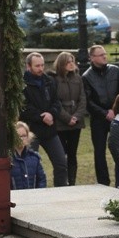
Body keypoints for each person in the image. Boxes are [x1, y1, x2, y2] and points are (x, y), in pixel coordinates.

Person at [20, 52, 68, 187]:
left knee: (61, 163)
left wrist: (51, 114)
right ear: (28, 66)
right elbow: (24, 108)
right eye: (37, 66)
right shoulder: (22, 85)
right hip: (32, 132)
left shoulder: (49, 81)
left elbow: (56, 102)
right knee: (30, 166)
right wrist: (42, 117)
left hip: (50, 131)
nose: (41, 68)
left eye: (42, 65)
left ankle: (61, 190)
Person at [83, 45, 119, 186]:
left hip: (117, 115)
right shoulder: (87, 76)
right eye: (100, 54)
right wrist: (104, 113)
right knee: (99, 151)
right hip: (99, 119)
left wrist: (115, 110)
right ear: (92, 58)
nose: (104, 56)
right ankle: (103, 182)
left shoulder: (115, 70)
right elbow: (88, 101)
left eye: (105, 53)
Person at [48, 52, 86, 186]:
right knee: (61, 155)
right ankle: (62, 181)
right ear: (62, 64)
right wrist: (67, 118)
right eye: (68, 62)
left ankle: (72, 181)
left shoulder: (78, 78)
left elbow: (82, 100)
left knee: (72, 154)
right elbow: (55, 102)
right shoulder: (54, 79)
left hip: (76, 122)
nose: (71, 64)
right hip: (61, 123)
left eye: (72, 61)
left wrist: (76, 117)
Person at [10, 122, 47, 190]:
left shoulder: (35, 158)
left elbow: (42, 180)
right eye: (19, 136)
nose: (21, 139)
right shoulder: (8, 159)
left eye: (24, 136)